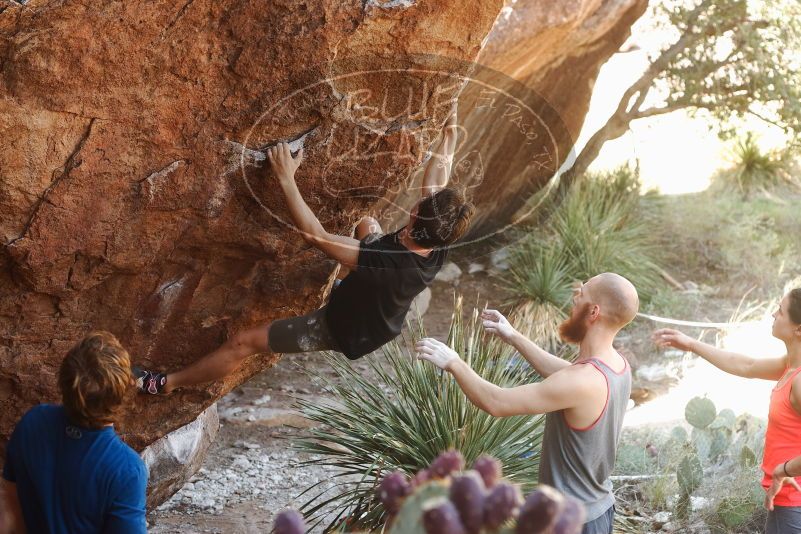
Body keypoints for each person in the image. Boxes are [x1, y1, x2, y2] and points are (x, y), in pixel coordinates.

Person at [135, 108, 474, 395]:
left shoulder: (387, 263)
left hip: (345, 326)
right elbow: (438, 178)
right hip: (378, 300)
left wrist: (286, 177)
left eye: (422, 204)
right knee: (368, 224)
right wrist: (450, 129)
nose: (422, 197)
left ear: (416, 217)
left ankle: (165, 383)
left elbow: (315, 236)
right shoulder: (438, 235)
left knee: (244, 342)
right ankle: (344, 278)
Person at [416, 273, 638, 534]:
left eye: (582, 294)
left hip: (570, 522)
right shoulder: (616, 366)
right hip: (597, 509)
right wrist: (513, 336)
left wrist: (453, 362)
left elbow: (496, 402)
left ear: (594, 312)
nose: (575, 296)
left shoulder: (580, 381)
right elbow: (565, 374)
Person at [653, 287, 801, 534]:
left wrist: (784, 470)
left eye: (781, 311)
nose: (773, 315)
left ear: (799, 329)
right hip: (784, 498)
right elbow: (746, 365)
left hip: (794, 501)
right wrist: (690, 344)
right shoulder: (790, 366)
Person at [1, 332, 147, 533]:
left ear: (63, 380)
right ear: (122, 397)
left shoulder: (32, 422)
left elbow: (9, 505)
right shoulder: (126, 470)